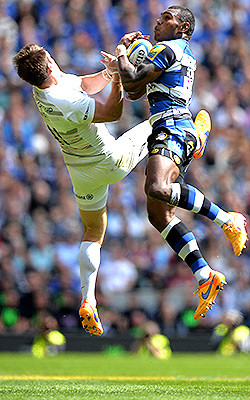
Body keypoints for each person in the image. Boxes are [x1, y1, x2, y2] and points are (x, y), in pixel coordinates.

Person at [115, 5, 248, 320]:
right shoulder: (177, 50)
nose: (159, 22)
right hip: (167, 127)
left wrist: (124, 52)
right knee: (158, 215)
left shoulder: (169, 48)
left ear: (184, 27)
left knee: (158, 188)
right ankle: (205, 275)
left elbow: (133, 78)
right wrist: (127, 64)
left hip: (173, 126)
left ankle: (227, 219)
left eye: (167, 18)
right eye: (159, 17)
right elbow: (134, 90)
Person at [12, 43, 152, 336]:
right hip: (109, 159)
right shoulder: (64, 100)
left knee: (93, 234)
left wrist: (108, 71)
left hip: (80, 172)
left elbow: (84, 84)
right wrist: (117, 80)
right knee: (159, 124)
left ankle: (88, 299)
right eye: (51, 57)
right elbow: (112, 112)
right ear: (49, 66)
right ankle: (195, 139)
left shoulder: (43, 88)